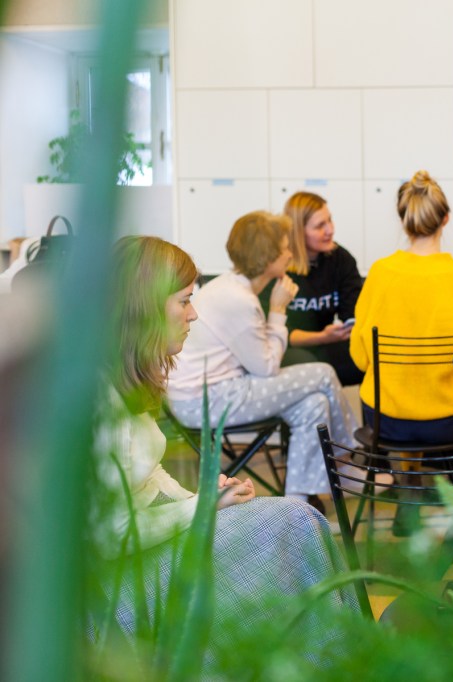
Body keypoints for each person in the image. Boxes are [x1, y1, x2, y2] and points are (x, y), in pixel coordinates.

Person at [96, 235, 358, 640]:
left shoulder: (125, 377)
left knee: (308, 429)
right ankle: (335, 646)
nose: (193, 313)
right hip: (122, 573)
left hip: (155, 526)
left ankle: (335, 643)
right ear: (146, 307)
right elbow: (109, 533)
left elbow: (147, 473)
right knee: (296, 521)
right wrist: (200, 508)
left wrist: (200, 497)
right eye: (184, 301)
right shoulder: (99, 401)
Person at [167, 211, 359, 508]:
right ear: (267, 258)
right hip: (206, 401)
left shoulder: (231, 287)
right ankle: (345, 462)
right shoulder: (238, 299)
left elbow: (261, 360)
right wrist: (278, 310)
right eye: (284, 248)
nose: (290, 253)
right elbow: (267, 367)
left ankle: (297, 505)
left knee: (314, 404)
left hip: (210, 394)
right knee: (322, 372)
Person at [350, 170, 453, 444]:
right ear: (445, 219)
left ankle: (400, 467)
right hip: (452, 421)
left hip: (384, 421)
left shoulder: (379, 273)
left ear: (403, 220)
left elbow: (360, 358)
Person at [273, 191, 364, 387]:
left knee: (367, 356)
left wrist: (346, 327)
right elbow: (276, 332)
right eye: (320, 226)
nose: (330, 230)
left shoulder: (341, 259)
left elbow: (353, 313)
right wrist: (322, 337)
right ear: (298, 232)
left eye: (329, 220)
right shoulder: (277, 265)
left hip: (326, 342)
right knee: (307, 365)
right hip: (288, 348)